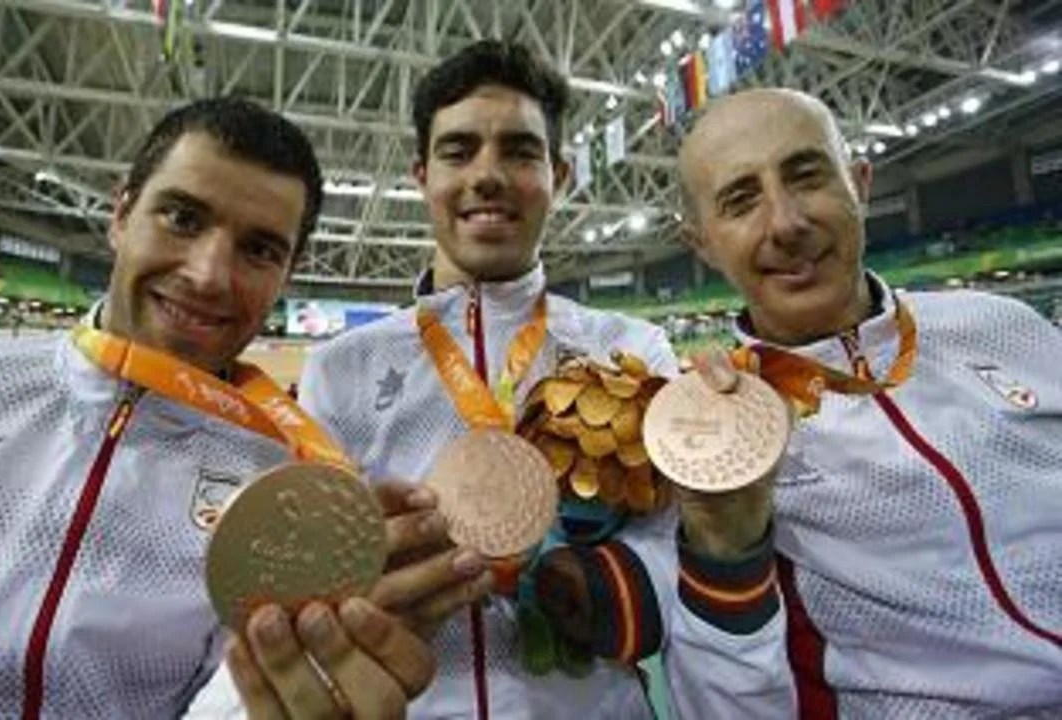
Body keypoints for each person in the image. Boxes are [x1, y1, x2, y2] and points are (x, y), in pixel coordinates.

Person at [0, 97, 435, 718]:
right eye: (182, 218)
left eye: (259, 250)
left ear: (288, 272)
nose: (208, 276)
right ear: (121, 214)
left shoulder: (284, 495)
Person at [295, 41, 790, 718]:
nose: (487, 175)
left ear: (557, 174)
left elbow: (682, 539)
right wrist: (360, 588)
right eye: (458, 151)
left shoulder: (629, 349)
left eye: (520, 152)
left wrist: (610, 584)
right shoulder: (339, 368)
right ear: (421, 175)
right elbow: (308, 569)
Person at [675, 87, 1062, 716]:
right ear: (702, 244)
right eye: (741, 200)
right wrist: (722, 551)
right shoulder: (713, 430)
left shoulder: (1003, 324)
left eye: (807, 175)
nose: (786, 223)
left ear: (858, 183)